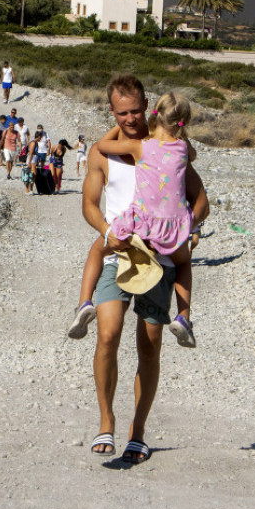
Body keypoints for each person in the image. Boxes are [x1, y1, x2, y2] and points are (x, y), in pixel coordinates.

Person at [72, 75, 209, 463]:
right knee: (107, 334)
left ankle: (138, 431)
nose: (130, 119)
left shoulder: (166, 146)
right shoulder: (105, 154)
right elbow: (89, 205)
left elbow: (201, 200)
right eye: (122, 113)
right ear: (111, 112)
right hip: (119, 253)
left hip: (160, 261)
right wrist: (107, 232)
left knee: (149, 348)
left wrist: (186, 229)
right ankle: (106, 421)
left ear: (147, 106)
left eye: (136, 111)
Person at [71, 90, 198, 349]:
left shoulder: (140, 147)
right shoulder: (184, 149)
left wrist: (116, 126)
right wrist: (188, 226)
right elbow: (193, 173)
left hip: (140, 224)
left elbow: (101, 146)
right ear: (182, 122)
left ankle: (84, 302)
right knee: (184, 262)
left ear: (153, 113)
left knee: (98, 249)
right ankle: (184, 317)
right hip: (172, 229)